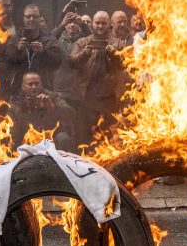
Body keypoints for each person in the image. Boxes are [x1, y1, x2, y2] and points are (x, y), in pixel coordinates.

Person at [69, 10, 130, 143]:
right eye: (97, 23)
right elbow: (72, 62)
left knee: (108, 138)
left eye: (103, 23)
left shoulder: (119, 43)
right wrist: (85, 53)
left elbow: (126, 65)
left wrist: (115, 54)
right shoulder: (82, 42)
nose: (100, 26)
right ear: (92, 24)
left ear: (109, 24)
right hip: (86, 97)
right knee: (84, 137)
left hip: (109, 99)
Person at [10, 70, 77, 151]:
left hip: (51, 144)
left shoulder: (51, 97)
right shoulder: (15, 104)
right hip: (27, 145)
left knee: (63, 138)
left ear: (41, 85)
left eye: (36, 84)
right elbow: (13, 134)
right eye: (30, 84)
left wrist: (52, 107)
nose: (34, 87)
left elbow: (71, 116)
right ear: (23, 86)